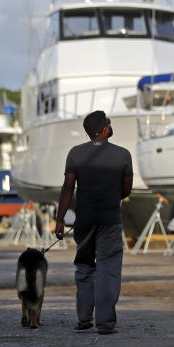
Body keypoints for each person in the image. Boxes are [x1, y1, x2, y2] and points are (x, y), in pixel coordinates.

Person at [54, 110, 134, 334]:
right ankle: (106, 323)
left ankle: (84, 318)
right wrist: (108, 196)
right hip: (109, 220)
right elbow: (125, 190)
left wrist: (60, 220)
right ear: (105, 128)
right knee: (108, 269)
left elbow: (68, 187)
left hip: (84, 221)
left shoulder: (75, 154)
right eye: (109, 122)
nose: (110, 124)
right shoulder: (123, 155)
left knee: (85, 267)